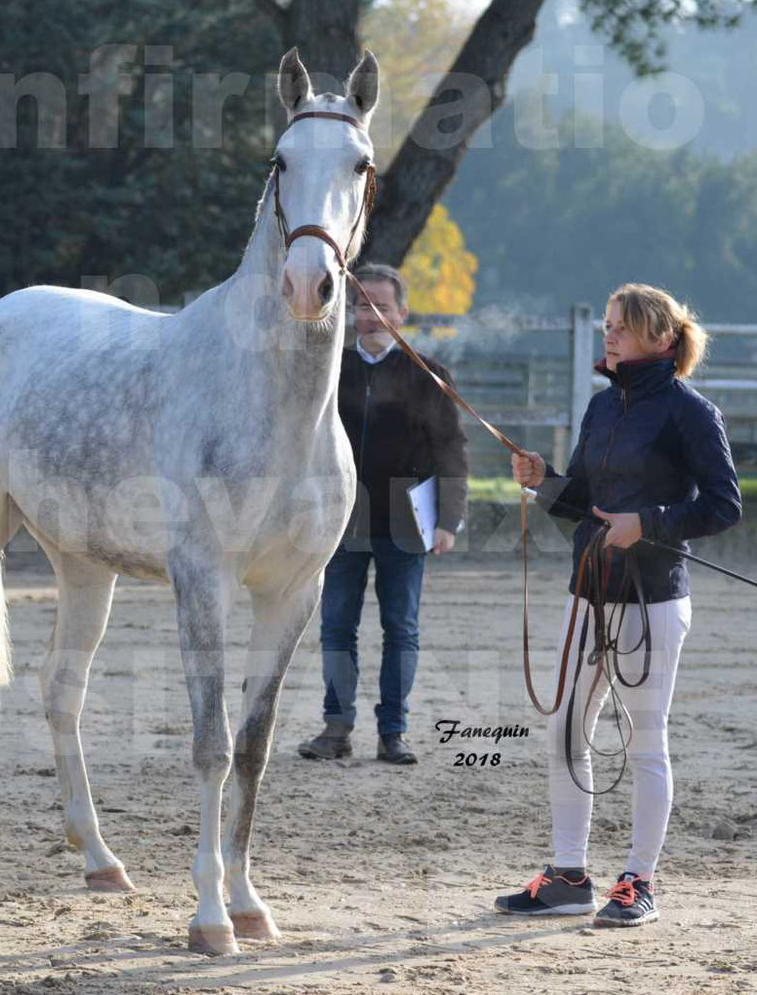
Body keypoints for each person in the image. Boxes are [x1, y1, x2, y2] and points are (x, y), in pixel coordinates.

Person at [495, 283, 741, 927]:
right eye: (607, 325)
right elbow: (579, 504)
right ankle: (568, 875)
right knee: (565, 732)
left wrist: (649, 524)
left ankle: (639, 881)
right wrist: (543, 482)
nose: (609, 336)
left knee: (646, 741)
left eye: (621, 328)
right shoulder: (601, 410)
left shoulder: (691, 413)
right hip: (588, 594)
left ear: (660, 338)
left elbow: (723, 505)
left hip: (653, 598)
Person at [298, 263, 468, 766]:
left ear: (402, 311)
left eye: (381, 307)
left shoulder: (429, 374)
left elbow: (452, 450)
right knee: (335, 626)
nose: (369, 316)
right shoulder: (328, 368)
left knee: (402, 629)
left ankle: (393, 732)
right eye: (361, 305)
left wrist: (448, 520)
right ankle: (336, 727)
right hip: (339, 520)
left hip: (406, 520)